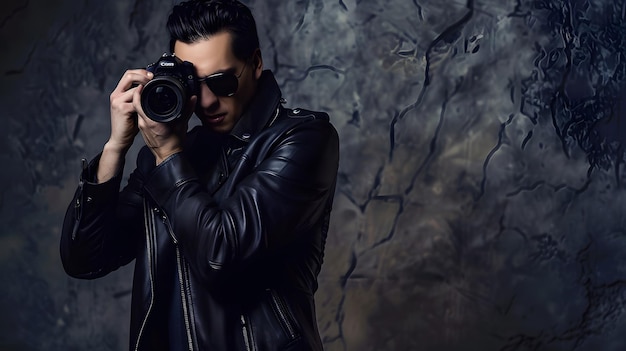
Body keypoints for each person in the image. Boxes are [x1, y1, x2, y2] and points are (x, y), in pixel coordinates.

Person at [60, 0, 339, 350]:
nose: (205, 101)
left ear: (255, 64)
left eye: (221, 82)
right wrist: (117, 145)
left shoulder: (303, 139)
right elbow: (85, 259)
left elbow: (223, 257)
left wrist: (168, 156)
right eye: (194, 83)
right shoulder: (173, 156)